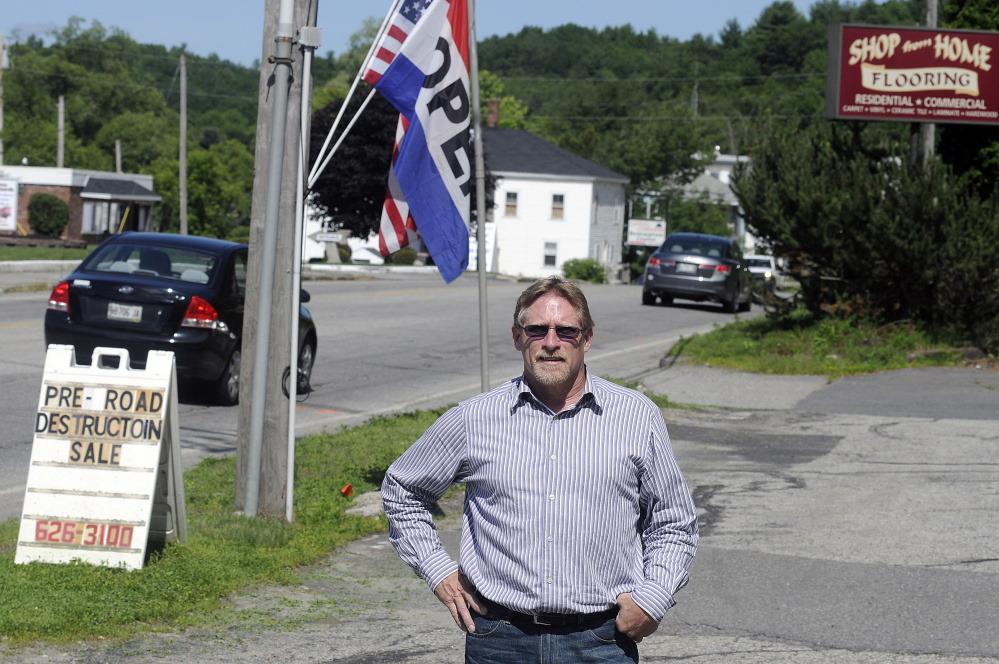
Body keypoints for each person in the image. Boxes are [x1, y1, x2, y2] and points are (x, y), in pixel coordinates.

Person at [381, 276, 698, 663]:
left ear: (587, 338)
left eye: (566, 330)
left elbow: (673, 522)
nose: (551, 342)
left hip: (601, 643)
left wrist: (654, 597)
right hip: (500, 640)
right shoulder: (475, 418)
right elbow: (402, 490)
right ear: (517, 337)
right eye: (537, 330)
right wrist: (438, 572)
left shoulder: (636, 416)